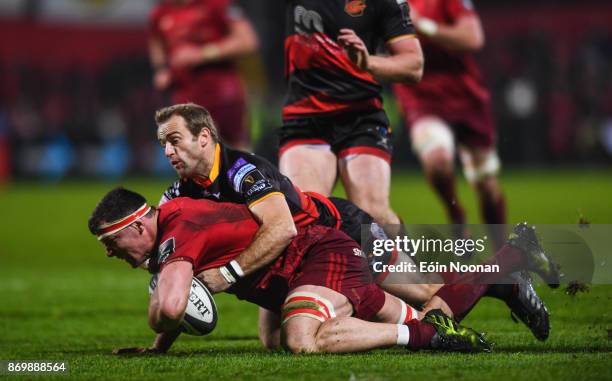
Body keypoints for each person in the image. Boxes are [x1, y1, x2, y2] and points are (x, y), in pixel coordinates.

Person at [154, 103, 555, 345]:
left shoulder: (244, 172)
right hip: (298, 257)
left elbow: (282, 229)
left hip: (344, 229)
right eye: (163, 144)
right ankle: (504, 279)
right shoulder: (179, 195)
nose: (168, 151)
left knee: (429, 298)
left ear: (204, 137)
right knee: (273, 339)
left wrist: (230, 273)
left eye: (175, 140)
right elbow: (179, 271)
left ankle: (509, 259)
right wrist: (161, 341)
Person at [88, 187, 493, 354]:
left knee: (301, 339)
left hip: (319, 254)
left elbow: (173, 306)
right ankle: (499, 272)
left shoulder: (179, 230)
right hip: (304, 273)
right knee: (429, 304)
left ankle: (427, 335)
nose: (110, 254)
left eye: (112, 243)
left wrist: (160, 305)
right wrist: (158, 350)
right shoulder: (167, 241)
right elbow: (181, 292)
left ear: (139, 226)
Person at [278, 0, 423, 227]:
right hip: (305, 118)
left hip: (362, 117)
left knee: (373, 215)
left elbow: (413, 65)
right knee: (305, 215)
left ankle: (404, 261)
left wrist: (367, 62)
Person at [392, 0, 506, 246]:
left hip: (466, 99)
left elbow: (473, 38)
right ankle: (456, 216)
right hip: (422, 100)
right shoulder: (384, 4)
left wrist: (423, 25)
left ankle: (504, 255)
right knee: (437, 161)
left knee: (486, 186)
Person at [149, 0, 258, 148]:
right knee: (194, 152)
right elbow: (157, 45)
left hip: (223, 93)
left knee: (236, 152)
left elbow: (247, 41)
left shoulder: (218, 4)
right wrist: (162, 70)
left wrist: (202, 54)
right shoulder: (160, 13)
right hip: (185, 96)